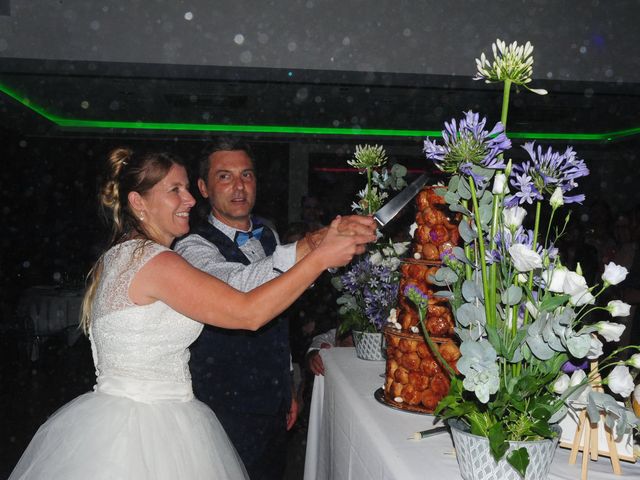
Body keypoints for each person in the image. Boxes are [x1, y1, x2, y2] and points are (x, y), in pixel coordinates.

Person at [9, 148, 376, 480]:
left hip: (129, 417)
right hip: (150, 428)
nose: (188, 199)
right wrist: (321, 258)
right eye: (174, 191)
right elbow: (246, 310)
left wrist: (323, 238)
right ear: (138, 202)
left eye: (186, 188)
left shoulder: (119, 255)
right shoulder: (156, 261)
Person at [174, 138, 373, 479]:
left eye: (247, 175)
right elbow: (236, 286)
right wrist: (315, 244)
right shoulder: (191, 246)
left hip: (271, 401)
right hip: (222, 404)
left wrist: (287, 387)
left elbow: (279, 311)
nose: (239, 185)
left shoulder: (268, 234)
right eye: (225, 176)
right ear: (204, 188)